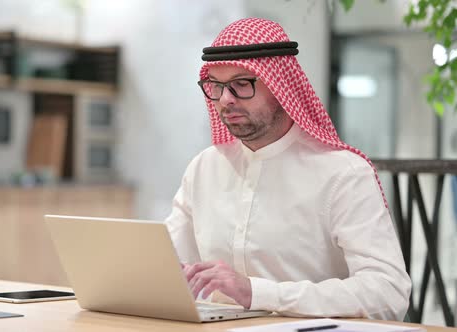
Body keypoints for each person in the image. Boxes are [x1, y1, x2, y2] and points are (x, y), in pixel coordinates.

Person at [165, 18, 411, 321]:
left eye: (242, 84)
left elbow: (387, 293)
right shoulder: (204, 167)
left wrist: (258, 292)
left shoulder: (343, 173)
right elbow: (169, 268)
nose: (226, 100)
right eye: (216, 86)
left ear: (281, 86)